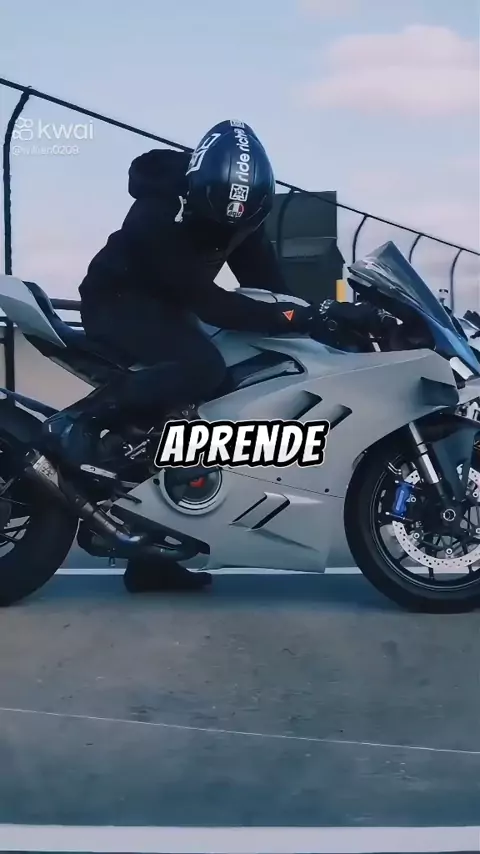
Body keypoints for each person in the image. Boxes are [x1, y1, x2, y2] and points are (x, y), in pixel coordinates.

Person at [42, 119, 389, 592]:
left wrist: (321, 322)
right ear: (197, 188)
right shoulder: (158, 208)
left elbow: (269, 290)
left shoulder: (243, 214)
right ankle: (76, 424)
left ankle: (152, 557)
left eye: (239, 223)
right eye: (216, 220)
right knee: (201, 367)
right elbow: (207, 300)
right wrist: (303, 317)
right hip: (118, 303)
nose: (226, 230)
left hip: (171, 307)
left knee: (217, 392)